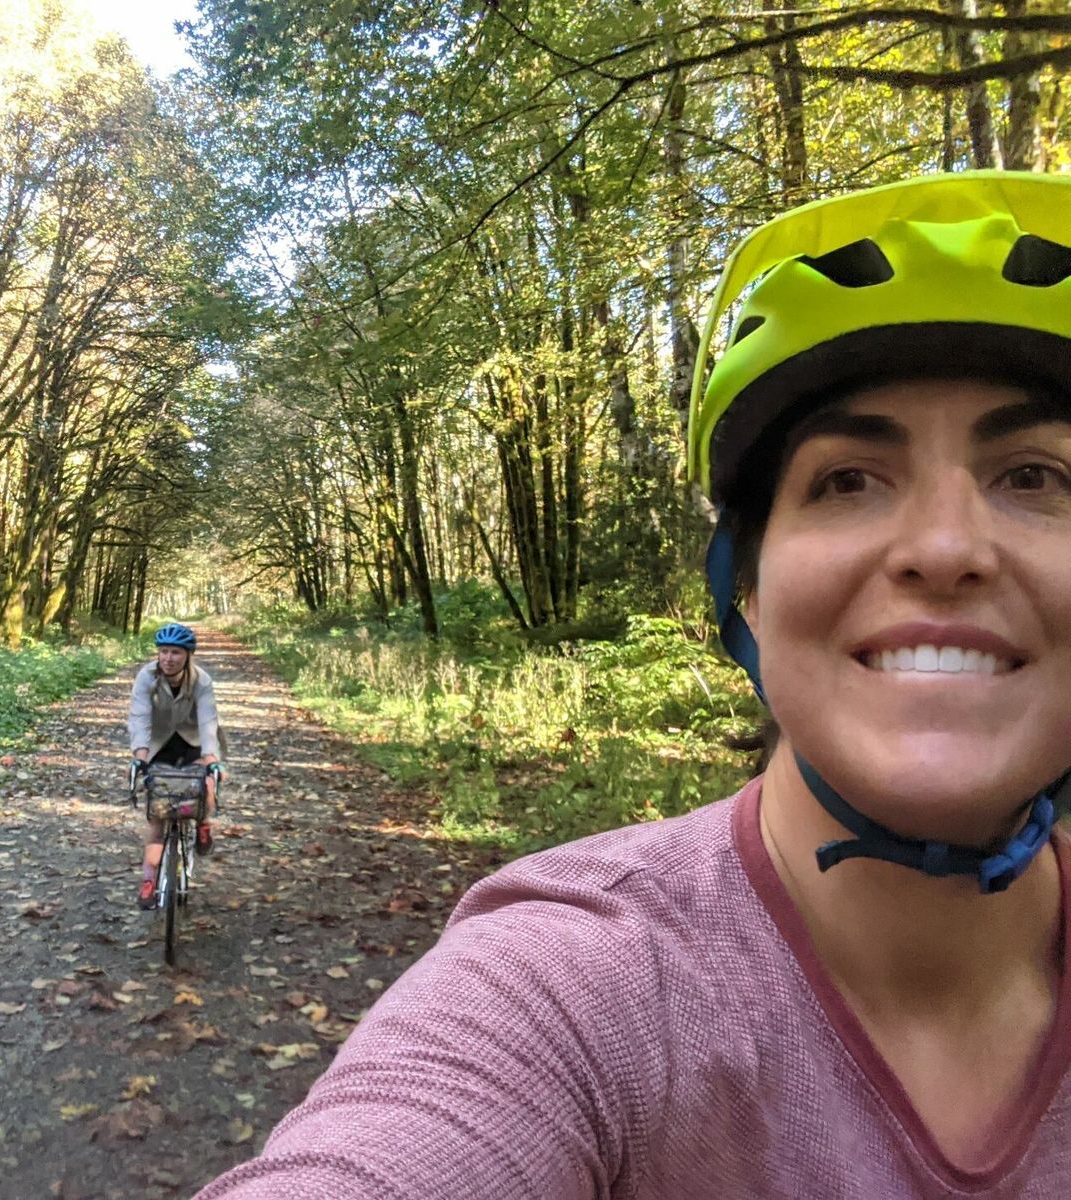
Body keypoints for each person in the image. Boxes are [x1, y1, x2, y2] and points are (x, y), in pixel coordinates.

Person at [197, 171, 1071, 1196]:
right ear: (745, 588)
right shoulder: (567, 986)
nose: (945, 548)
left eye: (1035, 477)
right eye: (847, 480)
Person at [128, 622, 223, 910]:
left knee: (205, 785)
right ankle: (148, 880)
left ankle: (204, 824)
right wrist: (140, 756)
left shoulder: (201, 680)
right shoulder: (146, 677)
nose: (168, 658)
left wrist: (211, 759)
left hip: (193, 741)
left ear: (188, 655)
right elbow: (139, 717)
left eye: (176, 653)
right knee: (158, 815)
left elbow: (208, 720)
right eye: (164, 651)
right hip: (158, 744)